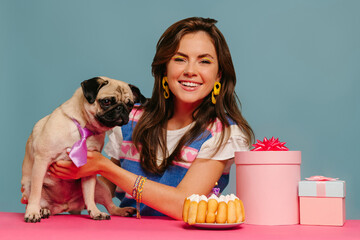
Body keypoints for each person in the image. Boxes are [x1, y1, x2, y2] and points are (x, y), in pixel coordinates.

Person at [31, 17, 254, 220]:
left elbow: (184, 205)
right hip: (123, 232)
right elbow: (103, 190)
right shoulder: (131, 118)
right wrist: (51, 188)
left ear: (219, 75)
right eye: (180, 59)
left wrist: (105, 168)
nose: (190, 70)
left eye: (204, 61)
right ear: (164, 69)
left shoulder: (223, 133)